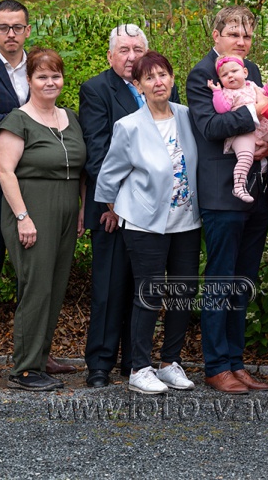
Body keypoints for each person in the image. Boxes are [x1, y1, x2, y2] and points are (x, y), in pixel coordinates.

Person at [0, 0, 75, 384]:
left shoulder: (37, 67)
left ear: (27, 29)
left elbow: (46, 112)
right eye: (3, 27)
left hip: (38, 191)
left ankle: (38, 353)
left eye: (18, 27)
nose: (11, 34)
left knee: (40, 275)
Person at [80, 24, 179, 389]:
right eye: (124, 50)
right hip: (113, 210)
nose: (132, 56)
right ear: (110, 55)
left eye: (138, 49)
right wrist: (114, 203)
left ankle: (134, 363)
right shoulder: (96, 90)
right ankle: (100, 364)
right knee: (109, 288)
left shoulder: (163, 89)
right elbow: (98, 153)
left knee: (143, 288)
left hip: (155, 213)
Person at [95, 51, 201, 395]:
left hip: (186, 221)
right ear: (138, 86)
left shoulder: (187, 116)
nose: (158, 82)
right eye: (149, 77)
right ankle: (139, 368)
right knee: (150, 293)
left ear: (172, 78)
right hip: (145, 226)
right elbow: (109, 176)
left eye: (163, 75)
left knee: (184, 292)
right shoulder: (129, 126)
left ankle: (169, 363)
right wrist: (119, 209)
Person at [186, 5, 268, 394]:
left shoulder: (251, 72)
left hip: (256, 190)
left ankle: (237, 363)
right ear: (216, 35)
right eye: (234, 34)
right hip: (222, 193)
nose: (242, 41)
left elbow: (263, 125)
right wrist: (254, 111)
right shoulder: (202, 75)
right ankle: (216, 365)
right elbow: (210, 126)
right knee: (220, 280)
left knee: (243, 280)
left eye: (247, 35)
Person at [0, 48, 87, 391]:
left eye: (55, 76)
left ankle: (41, 358)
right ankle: (24, 370)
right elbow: (4, 171)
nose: (50, 82)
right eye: (42, 76)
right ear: (29, 80)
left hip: (66, 209)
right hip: (32, 209)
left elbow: (80, 168)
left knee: (55, 285)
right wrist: (23, 217)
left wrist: (81, 208)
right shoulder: (17, 120)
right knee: (36, 287)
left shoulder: (71, 117)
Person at [207, 56, 268, 203]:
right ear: (220, 80)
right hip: (244, 131)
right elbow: (222, 109)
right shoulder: (227, 92)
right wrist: (216, 92)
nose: (230, 76)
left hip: (263, 126)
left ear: (245, 72)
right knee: (246, 157)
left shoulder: (252, 85)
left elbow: (263, 95)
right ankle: (239, 186)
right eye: (224, 75)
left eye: (234, 71)